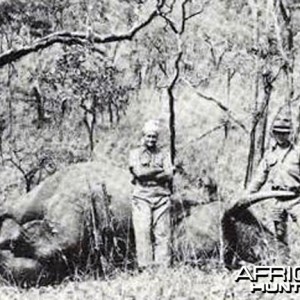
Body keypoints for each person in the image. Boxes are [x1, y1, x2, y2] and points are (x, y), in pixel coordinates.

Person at [246, 107, 300, 263]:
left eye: (284, 132)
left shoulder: (297, 152)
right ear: (273, 134)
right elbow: (259, 177)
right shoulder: (269, 154)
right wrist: (248, 194)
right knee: (280, 235)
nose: (280, 136)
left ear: (289, 133)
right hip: (277, 200)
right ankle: (285, 265)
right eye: (277, 132)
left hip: (296, 199)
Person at [129, 120, 174, 270]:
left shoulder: (163, 153)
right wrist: (157, 170)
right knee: (143, 232)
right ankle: (145, 268)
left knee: (162, 233)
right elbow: (139, 173)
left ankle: (162, 268)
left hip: (161, 197)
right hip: (142, 197)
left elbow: (169, 175)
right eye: (148, 136)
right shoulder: (134, 153)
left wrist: (152, 173)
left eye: (154, 137)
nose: (151, 139)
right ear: (143, 136)